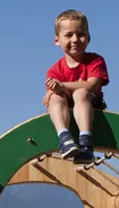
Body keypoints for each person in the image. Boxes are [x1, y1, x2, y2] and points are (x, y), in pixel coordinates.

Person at [42, 9, 110, 164]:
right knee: (55, 98)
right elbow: (54, 94)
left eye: (80, 34)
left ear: (89, 38)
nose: (75, 39)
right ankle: (64, 137)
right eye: (68, 35)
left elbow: (92, 85)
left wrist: (62, 85)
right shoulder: (54, 70)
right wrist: (55, 91)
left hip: (91, 105)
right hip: (67, 108)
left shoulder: (94, 61)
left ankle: (86, 142)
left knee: (80, 93)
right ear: (57, 40)